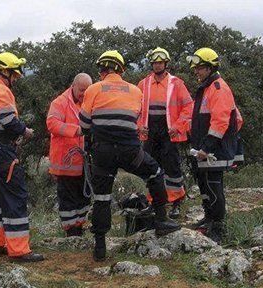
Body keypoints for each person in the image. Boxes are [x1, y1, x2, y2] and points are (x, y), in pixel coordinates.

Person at [79, 50, 181, 261]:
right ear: (121, 70)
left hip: (102, 153)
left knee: (102, 197)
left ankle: (100, 246)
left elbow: (84, 125)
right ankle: (161, 219)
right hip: (130, 151)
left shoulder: (93, 89)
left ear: (103, 69)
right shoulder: (135, 91)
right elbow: (133, 117)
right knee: (155, 173)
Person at [0, 51, 44, 262]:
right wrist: (25, 131)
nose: (16, 79)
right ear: (5, 71)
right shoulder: (1, 91)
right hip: (4, 151)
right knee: (15, 197)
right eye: (14, 74)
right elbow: (9, 121)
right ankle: (19, 250)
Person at [186, 47, 244, 243]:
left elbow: (220, 122)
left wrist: (207, 148)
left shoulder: (218, 88)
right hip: (203, 147)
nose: (197, 71)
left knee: (213, 186)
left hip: (214, 150)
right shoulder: (207, 87)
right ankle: (209, 218)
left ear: (210, 68)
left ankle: (218, 227)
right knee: (203, 184)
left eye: (200, 68)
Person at [137, 47, 193, 218]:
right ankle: (155, 201)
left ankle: (176, 201)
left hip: (169, 131)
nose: (157, 66)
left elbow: (188, 106)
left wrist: (178, 126)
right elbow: (134, 108)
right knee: (151, 166)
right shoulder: (143, 84)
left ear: (166, 64)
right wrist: (139, 125)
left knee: (172, 166)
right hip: (150, 131)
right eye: (155, 63)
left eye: (160, 63)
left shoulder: (176, 83)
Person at [46, 73, 93, 236]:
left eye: (87, 91)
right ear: (73, 86)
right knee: (68, 198)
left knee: (83, 197)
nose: (83, 94)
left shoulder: (89, 101)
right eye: (81, 90)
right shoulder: (59, 103)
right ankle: (71, 232)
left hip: (84, 164)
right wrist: (76, 130)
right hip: (65, 163)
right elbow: (52, 124)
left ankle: (80, 227)